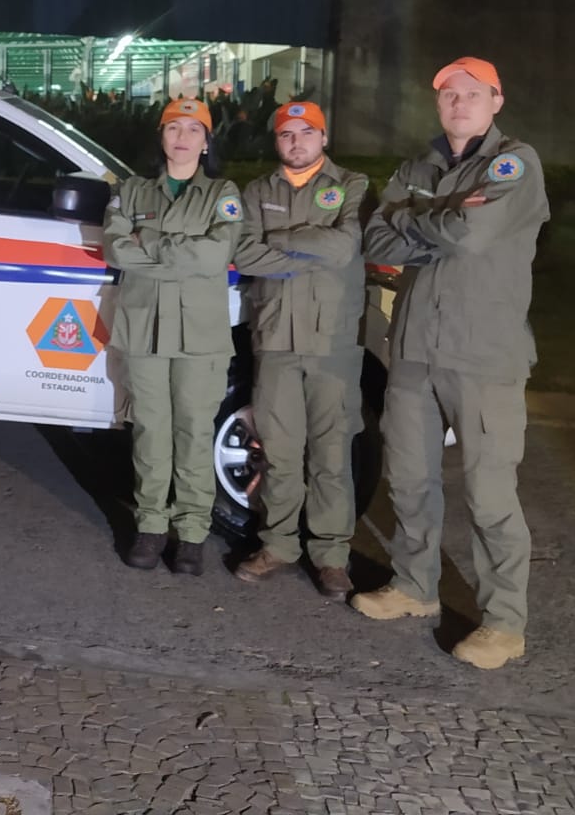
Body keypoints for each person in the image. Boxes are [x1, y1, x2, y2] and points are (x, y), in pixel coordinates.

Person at [356, 57, 548, 670]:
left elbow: (471, 235)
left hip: (483, 353)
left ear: (496, 100)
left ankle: (504, 623)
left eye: (471, 93)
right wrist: (438, 219)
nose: (458, 102)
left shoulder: (514, 164)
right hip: (414, 346)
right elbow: (376, 240)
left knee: (490, 494)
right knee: (411, 478)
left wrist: (415, 220)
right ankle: (415, 586)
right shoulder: (420, 166)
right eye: (448, 94)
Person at [231, 101, 368, 597]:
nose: (296, 141)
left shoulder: (350, 185)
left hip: (331, 341)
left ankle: (331, 555)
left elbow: (344, 245)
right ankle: (279, 545)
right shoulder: (256, 191)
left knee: (331, 452)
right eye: (286, 134)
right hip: (275, 340)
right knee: (280, 452)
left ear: (323, 137)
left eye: (306, 132)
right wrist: (306, 249)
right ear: (276, 141)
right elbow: (243, 251)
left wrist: (280, 243)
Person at [102, 97, 242, 575]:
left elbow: (215, 254)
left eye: (193, 130)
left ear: (207, 142)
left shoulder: (222, 193)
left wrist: (151, 244)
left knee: (194, 432)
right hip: (143, 328)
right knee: (150, 431)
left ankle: (192, 534)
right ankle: (151, 525)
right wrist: (178, 249)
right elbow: (117, 250)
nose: (182, 138)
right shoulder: (133, 190)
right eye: (173, 128)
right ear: (160, 136)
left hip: (200, 336)